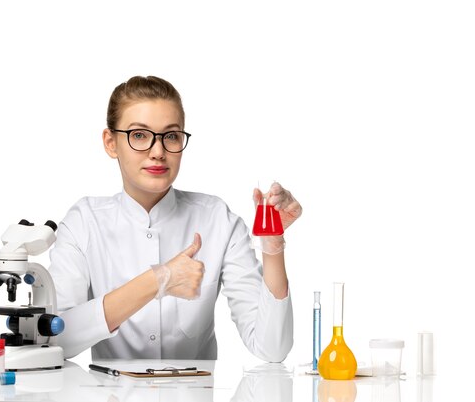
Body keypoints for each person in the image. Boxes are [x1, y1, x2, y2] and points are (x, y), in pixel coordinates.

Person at [48, 76, 302, 361]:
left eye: (170, 136)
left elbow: (272, 349)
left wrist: (273, 245)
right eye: (139, 135)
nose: (158, 152)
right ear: (111, 143)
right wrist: (158, 280)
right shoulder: (84, 222)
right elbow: (57, 340)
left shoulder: (218, 220)